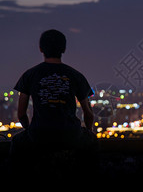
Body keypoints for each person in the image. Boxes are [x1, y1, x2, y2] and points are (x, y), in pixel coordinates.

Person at [10, 29, 97, 176]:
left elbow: (21, 114)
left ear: (41, 49)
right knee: (93, 144)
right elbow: (88, 114)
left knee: (16, 143)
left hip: (39, 134)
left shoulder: (29, 75)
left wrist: (30, 130)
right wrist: (88, 132)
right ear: (63, 49)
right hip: (71, 135)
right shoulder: (75, 75)